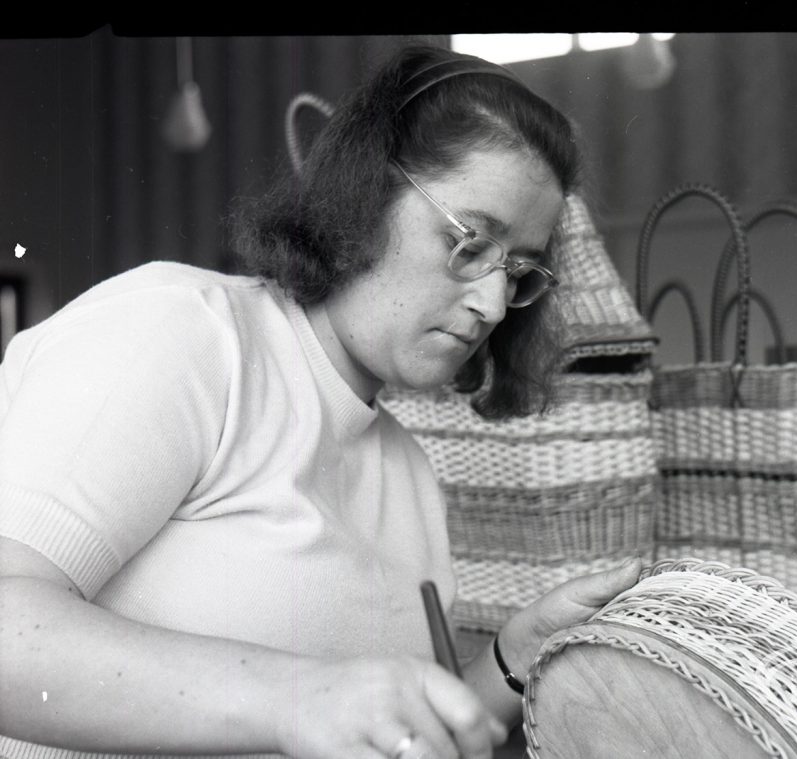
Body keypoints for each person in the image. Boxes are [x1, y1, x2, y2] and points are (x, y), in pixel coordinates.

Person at [0, 44, 641, 759]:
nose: (493, 302)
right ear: (363, 194)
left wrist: (509, 663)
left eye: (519, 270)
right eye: (469, 242)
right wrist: (295, 699)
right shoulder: (186, 333)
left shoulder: (408, 473)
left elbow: (394, 729)